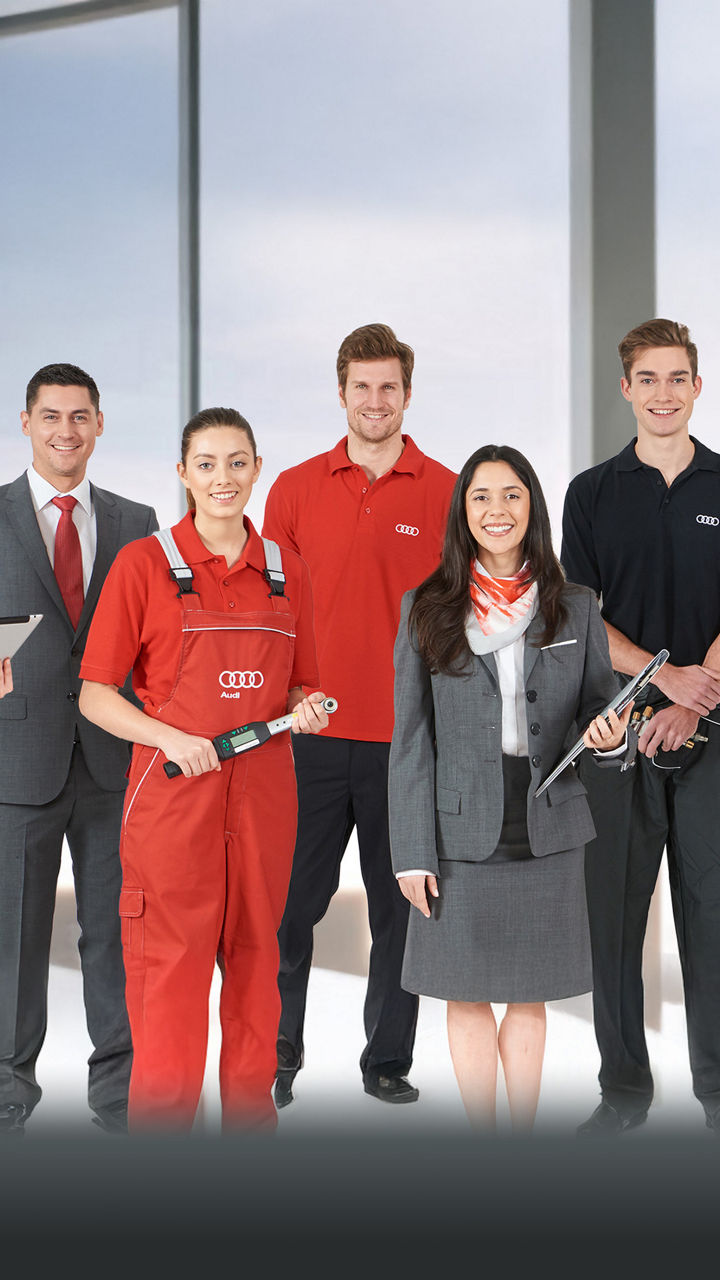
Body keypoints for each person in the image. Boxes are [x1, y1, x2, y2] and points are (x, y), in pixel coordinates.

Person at [79, 407, 329, 1133]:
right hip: (172, 810)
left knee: (259, 980)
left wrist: (310, 706)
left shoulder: (286, 573)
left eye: (238, 462)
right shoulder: (144, 565)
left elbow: (300, 685)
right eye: (208, 464)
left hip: (264, 807)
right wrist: (168, 736)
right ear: (183, 474)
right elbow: (97, 695)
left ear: (257, 469)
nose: (224, 478)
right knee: (170, 993)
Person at [388, 445, 634, 1132]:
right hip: (458, 829)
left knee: (529, 997)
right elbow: (410, 738)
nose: (497, 511)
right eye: (481, 497)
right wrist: (411, 850)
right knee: (465, 996)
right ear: (463, 513)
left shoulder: (577, 608)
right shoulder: (426, 607)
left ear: (533, 508)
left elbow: (596, 704)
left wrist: (609, 736)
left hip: (547, 820)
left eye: (512, 495)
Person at [262, 322, 456, 1108]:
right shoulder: (294, 488)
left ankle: (387, 1061)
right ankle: (276, 1053)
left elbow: (458, 621)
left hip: (405, 739)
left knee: (399, 912)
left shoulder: (446, 491)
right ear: (340, 393)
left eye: (389, 387)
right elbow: (266, 608)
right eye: (361, 387)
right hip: (306, 735)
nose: (375, 401)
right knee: (286, 909)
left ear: (408, 394)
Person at [561, 318, 720, 1137]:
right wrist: (659, 688)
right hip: (616, 737)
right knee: (615, 917)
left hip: (713, 734)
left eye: (678, 377)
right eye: (648, 379)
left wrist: (697, 697)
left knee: (711, 911)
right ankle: (623, 1093)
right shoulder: (590, 493)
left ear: (698, 386)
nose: (664, 393)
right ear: (626, 389)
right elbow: (582, 615)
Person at [0, 362, 158, 1137]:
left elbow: (160, 641)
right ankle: (7, 1092)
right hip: (16, 760)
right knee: (14, 937)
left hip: (112, 760)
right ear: (25, 423)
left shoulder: (137, 521)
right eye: (52, 416)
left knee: (117, 931)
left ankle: (120, 1095)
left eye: (80, 417)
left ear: (99, 426)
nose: (67, 430)